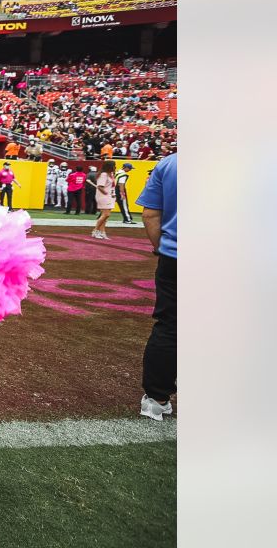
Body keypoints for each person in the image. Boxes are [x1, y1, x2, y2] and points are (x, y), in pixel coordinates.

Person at [136, 153, 177, 420]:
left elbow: (150, 214)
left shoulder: (170, 163)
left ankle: (156, 398)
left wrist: (161, 248)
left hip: (175, 255)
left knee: (170, 325)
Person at [89, 160, 117, 239]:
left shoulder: (110, 174)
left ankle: (102, 232)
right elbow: (100, 186)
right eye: (114, 165)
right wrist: (106, 193)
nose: (115, 167)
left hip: (110, 196)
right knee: (106, 214)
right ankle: (95, 230)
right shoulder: (104, 174)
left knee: (105, 216)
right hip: (104, 196)